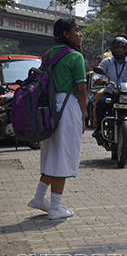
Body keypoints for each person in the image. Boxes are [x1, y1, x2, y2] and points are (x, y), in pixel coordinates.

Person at [27, 18, 86, 220]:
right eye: (76, 30)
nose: (80, 34)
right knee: (62, 157)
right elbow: (81, 90)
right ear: (66, 34)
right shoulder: (75, 57)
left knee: (52, 154)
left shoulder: (47, 54)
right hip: (67, 107)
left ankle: (38, 197)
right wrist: (84, 115)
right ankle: (56, 207)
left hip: (47, 109)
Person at [93, 37, 127, 142]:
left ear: (126, 49)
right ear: (112, 49)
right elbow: (97, 74)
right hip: (111, 93)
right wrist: (98, 79)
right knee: (100, 103)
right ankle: (99, 129)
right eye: (116, 48)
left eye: (121, 48)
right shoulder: (106, 62)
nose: (119, 50)